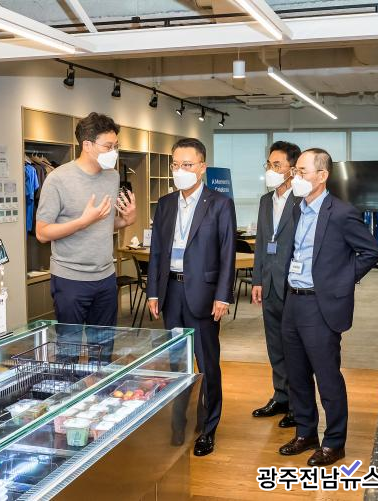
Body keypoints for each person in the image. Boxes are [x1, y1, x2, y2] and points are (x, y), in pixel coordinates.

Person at [278, 148, 378, 466]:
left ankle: (334, 442)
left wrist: (340, 281)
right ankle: (306, 432)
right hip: (292, 301)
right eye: (294, 171)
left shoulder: (341, 212)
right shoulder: (296, 208)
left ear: (322, 176)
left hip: (320, 305)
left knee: (327, 377)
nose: (296, 177)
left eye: (302, 171)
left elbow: (371, 251)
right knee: (296, 374)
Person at [146, 138, 236, 456]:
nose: (180, 170)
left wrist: (223, 296)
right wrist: (153, 291)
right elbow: (157, 251)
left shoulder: (220, 204)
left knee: (206, 363)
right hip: (171, 292)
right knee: (176, 363)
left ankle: (208, 428)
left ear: (202, 167)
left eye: (187, 164)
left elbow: (227, 253)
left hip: (204, 294)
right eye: (175, 164)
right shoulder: (166, 203)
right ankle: (177, 424)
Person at [36, 112, 137, 356]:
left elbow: (103, 223)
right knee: (68, 352)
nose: (114, 152)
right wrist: (82, 222)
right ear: (87, 145)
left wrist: (125, 220)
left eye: (116, 146)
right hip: (70, 279)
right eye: (108, 146)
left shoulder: (112, 176)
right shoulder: (57, 179)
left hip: (105, 277)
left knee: (103, 351)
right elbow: (42, 232)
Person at [251, 141, 301, 428]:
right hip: (268, 283)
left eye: (277, 165)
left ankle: (297, 403)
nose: (271, 169)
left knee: (295, 347)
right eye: (269, 164)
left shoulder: (303, 200)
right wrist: (257, 279)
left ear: (292, 169)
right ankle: (280, 396)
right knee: (275, 344)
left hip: (293, 284)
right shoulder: (265, 201)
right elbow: (261, 243)